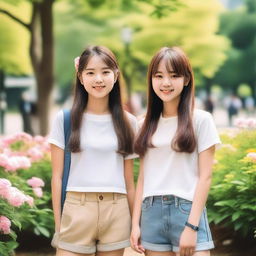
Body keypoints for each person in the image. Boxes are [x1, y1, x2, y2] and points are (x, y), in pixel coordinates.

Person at [130, 47, 221, 256]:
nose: (166, 83)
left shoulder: (201, 120)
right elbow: (142, 177)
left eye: (174, 75)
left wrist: (192, 227)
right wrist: (135, 224)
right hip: (151, 213)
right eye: (159, 76)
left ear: (187, 79)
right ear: (151, 80)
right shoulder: (143, 124)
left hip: (187, 211)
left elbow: (205, 177)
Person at [49, 45, 138, 256]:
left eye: (105, 72)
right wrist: (58, 224)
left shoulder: (129, 122)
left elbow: (129, 182)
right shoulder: (65, 119)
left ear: (115, 76)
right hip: (76, 207)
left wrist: (136, 224)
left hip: (116, 209)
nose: (98, 79)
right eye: (90, 73)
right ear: (80, 77)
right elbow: (57, 177)